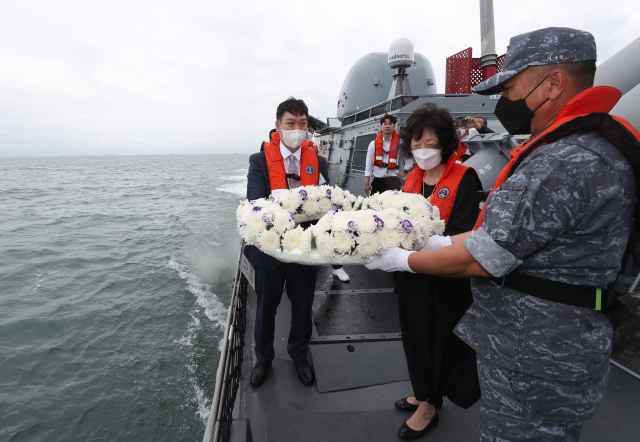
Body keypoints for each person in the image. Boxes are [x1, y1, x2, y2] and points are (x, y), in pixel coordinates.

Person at [366, 27, 640, 441]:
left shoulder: (562, 161)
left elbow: (483, 254)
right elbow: (495, 237)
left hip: (537, 359)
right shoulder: (587, 148)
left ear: (553, 83)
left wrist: (402, 259)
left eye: (510, 86)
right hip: (550, 348)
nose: (504, 100)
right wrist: (437, 243)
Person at [393, 103, 482, 439]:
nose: (422, 151)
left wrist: (427, 244)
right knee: (414, 338)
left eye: (430, 144)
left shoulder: (465, 178)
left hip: (444, 283)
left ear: (445, 143)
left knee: (436, 341)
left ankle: (430, 405)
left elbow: (463, 232)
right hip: (411, 277)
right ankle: (422, 389)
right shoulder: (410, 179)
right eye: (416, 144)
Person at [244, 97, 329, 388]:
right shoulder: (259, 162)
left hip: (304, 250)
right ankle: (263, 358)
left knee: (303, 306)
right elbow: (255, 204)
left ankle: (299, 355)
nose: (297, 129)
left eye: (302, 124)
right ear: (278, 126)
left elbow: (326, 204)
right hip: (270, 251)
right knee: (266, 307)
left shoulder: (317, 161)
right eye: (290, 123)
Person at [307, 116, 350, 281]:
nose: (306, 133)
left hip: (317, 204)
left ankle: (337, 267)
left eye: (310, 131)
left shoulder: (319, 160)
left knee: (329, 233)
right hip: (294, 208)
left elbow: (325, 183)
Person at [364, 114, 414, 195]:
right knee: (375, 206)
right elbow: (368, 163)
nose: (387, 126)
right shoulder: (373, 144)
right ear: (381, 126)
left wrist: (405, 171)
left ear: (394, 126)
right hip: (378, 181)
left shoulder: (400, 143)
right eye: (385, 124)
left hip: (393, 181)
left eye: (390, 124)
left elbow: (410, 156)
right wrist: (367, 182)